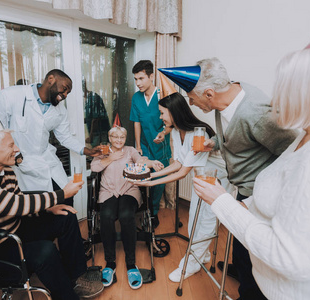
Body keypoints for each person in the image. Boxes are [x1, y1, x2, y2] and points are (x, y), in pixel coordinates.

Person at [194, 48, 310, 300]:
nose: (274, 100)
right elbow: (280, 179)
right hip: (265, 274)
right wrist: (245, 204)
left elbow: (293, 258)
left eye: (284, 89)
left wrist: (222, 202)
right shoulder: (308, 136)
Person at [160, 59, 298, 299]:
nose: (190, 103)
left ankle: (248, 292)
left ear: (209, 93)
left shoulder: (255, 112)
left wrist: (260, 197)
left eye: (192, 98)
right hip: (242, 187)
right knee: (238, 243)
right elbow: (235, 136)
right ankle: (240, 269)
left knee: (248, 251)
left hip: (258, 192)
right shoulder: (227, 98)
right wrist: (213, 143)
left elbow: (293, 155)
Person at [0, 130, 104, 300]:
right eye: (11, 145)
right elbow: (12, 204)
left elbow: (18, 197)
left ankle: (77, 278)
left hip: (13, 228)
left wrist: (48, 208)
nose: (16, 149)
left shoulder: (6, 171)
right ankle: (67, 296)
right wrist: (61, 194)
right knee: (45, 251)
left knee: (65, 216)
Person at [134, 92, 232, 282]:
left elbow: (182, 172)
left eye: (162, 113)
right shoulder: (178, 132)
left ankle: (189, 265)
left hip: (217, 181)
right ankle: (201, 255)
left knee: (206, 221)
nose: (160, 117)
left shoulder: (199, 133)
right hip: (201, 179)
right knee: (194, 217)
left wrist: (151, 182)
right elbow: (178, 163)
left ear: (174, 112)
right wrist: (150, 174)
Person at [0, 69, 101, 206]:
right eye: (64, 89)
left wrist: (88, 151)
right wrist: (16, 159)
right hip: (22, 163)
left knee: (67, 197)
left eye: (68, 93)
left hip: (47, 159)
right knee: (40, 207)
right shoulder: (10, 96)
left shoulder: (60, 110)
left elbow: (65, 137)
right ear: (51, 79)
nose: (65, 95)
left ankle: (68, 226)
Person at [90, 126, 163, 290]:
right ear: (109, 138)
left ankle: (131, 264)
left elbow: (141, 161)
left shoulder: (130, 150)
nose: (118, 140)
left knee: (126, 216)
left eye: (122, 137)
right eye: (115, 137)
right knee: (107, 216)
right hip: (108, 192)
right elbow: (94, 168)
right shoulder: (103, 151)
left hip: (129, 190)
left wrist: (151, 163)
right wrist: (111, 158)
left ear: (125, 138)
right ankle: (110, 263)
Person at [130, 60, 172, 226]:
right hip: (145, 146)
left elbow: (171, 123)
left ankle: (153, 212)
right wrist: (138, 146)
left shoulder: (163, 95)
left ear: (151, 76)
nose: (138, 83)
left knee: (159, 181)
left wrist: (163, 133)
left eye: (141, 78)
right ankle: (142, 207)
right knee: (141, 177)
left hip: (161, 146)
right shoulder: (136, 98)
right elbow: (136, 122)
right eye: (135, 79)